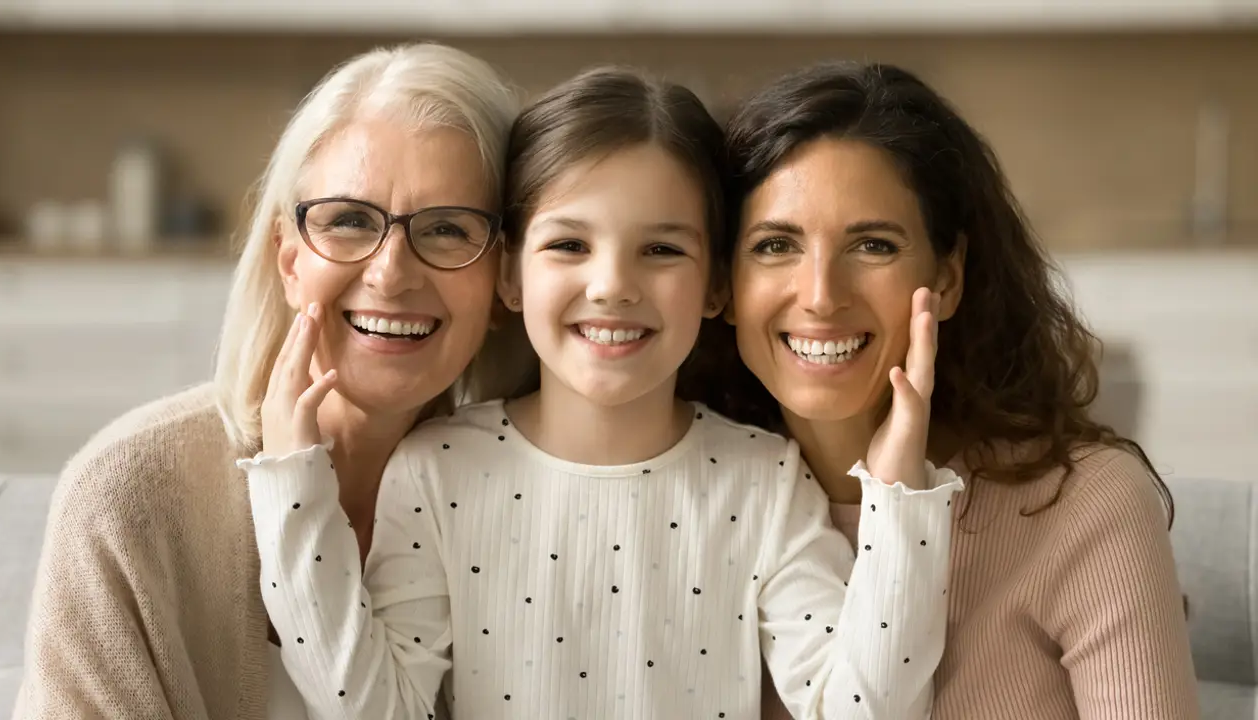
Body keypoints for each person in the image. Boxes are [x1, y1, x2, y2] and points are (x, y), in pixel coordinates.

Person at [242, 67, 965, 720]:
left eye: (661, 249)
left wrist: (900, 495)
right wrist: (293, 488)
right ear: (510, 275)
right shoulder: (437, 472)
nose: (613, 285)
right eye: (569, 245)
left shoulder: (766, 481)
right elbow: (370, 709)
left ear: (717, 284)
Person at [14, 43, 526, 719]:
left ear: (502, 283)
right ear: (289, 260)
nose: (392, 273)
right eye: (349, 221)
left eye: (448, 229)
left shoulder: (524, 499)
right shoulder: (125, 495)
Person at [710, 61, 1199, 719]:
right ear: (725, 283)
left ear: (945, 279)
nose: (822, 295)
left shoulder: (1086, 506)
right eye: (775, 246)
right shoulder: (708, 500)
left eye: (874, 245)